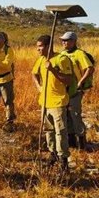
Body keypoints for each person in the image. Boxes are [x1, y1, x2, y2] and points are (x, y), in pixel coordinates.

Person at [32, 35, 73, 172]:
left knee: (60, 132)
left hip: (58, 101)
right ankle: (52, 153)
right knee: (48, 131)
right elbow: (34, 73)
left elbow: (68, 80)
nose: (38, 49)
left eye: (41, 46)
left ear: (49, 46)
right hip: (44, 101)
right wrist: (39, 86)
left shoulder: (61, 59)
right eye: (37, 46)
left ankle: (63, 160)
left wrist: (53, 70)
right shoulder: (41, 60)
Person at [59, 31, 94, 150]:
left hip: (76, 91)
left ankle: (82, 143)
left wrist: (81, 82)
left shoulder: (79, 53)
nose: (64, 42)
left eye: (66, 40)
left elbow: (90, 69)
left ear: (73, 41)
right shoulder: (62, 53)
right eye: (63, 40)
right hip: (65, 91)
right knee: (67, 115)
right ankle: (72, 142)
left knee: (75, 115)